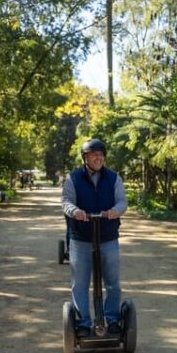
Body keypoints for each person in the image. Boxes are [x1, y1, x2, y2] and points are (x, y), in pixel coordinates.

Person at [62, 138, 128, 338]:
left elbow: (122, 202)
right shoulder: (73, 178)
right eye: (94, 154)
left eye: (101, 154)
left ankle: (113, 320)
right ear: (85, 158)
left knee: (113, 283)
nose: (99, 157)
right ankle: (83, 322)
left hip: (107, 237)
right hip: (81, 238)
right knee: (80, 284)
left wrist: (115, 211)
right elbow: (66, 201)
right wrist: (75, 211)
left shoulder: (113, 178)